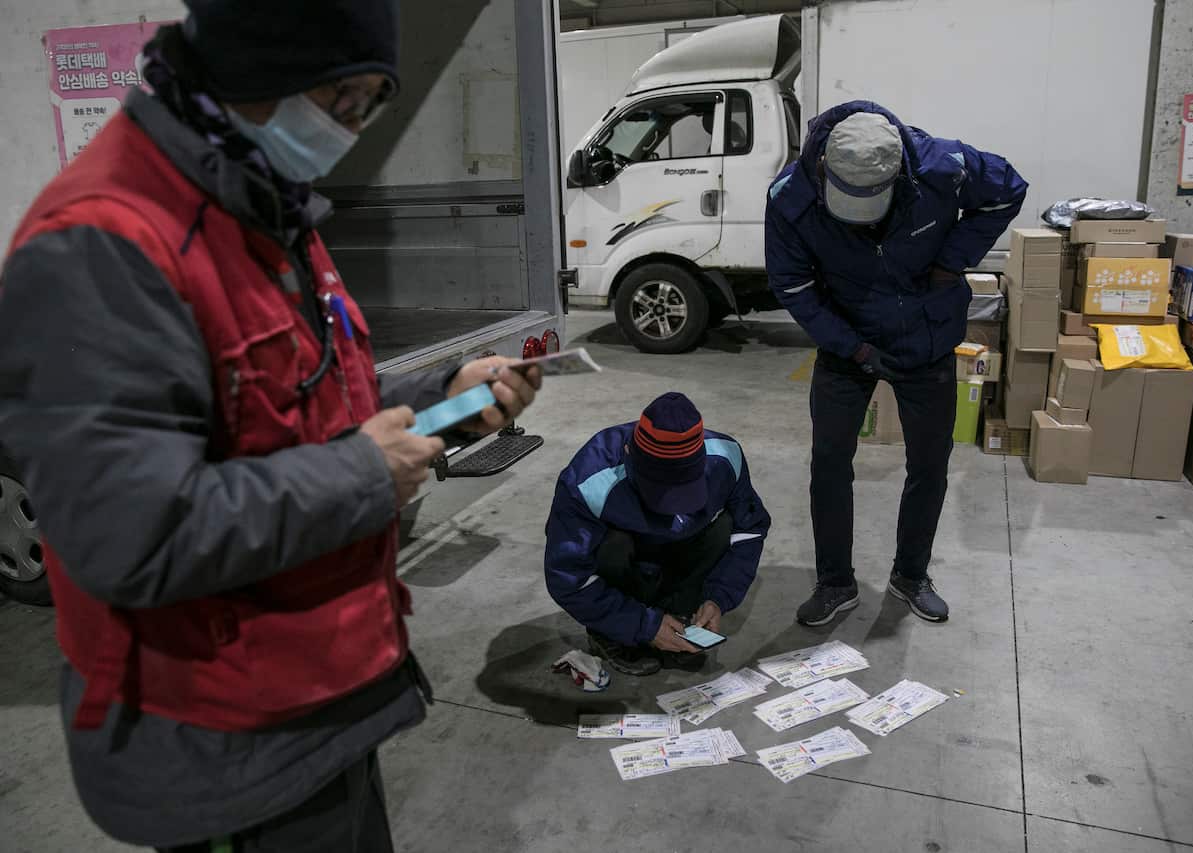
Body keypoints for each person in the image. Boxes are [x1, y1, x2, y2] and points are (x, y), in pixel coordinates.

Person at [0, 3, 541, 851]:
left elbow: (304, 400)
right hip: (222, 746)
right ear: (257, 68)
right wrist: (365, 476)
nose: (352, 130)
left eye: (372, 104)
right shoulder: (101, 248)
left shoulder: (259, 207)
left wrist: (444, 394)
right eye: (341, 99)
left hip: (322, 701)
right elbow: (127, 534)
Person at [765, 101, 1026, 626]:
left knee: (929, 466)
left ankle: (911, 575)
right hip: (847, 341)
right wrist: (852, 347)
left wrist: (951, 261)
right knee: (829, 466)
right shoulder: (790, 197)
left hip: (925, 339)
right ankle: (835, 583)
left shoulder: (943, 168)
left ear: (899, 174)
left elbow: (1008, 191)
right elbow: (793, 287)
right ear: (823, 171)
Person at [544, 393, 771, 676]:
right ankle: (612, 632)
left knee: (725, 525)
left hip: (679, 549)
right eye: (661, 491)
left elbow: (750, 530)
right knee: (609, 545)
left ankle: (678, 617)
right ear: (629, 455)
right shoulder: (589, 479)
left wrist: (718, 597)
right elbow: (567, 577)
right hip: (629, 558)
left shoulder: (725, 458)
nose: (673, 509)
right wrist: (641, 624)